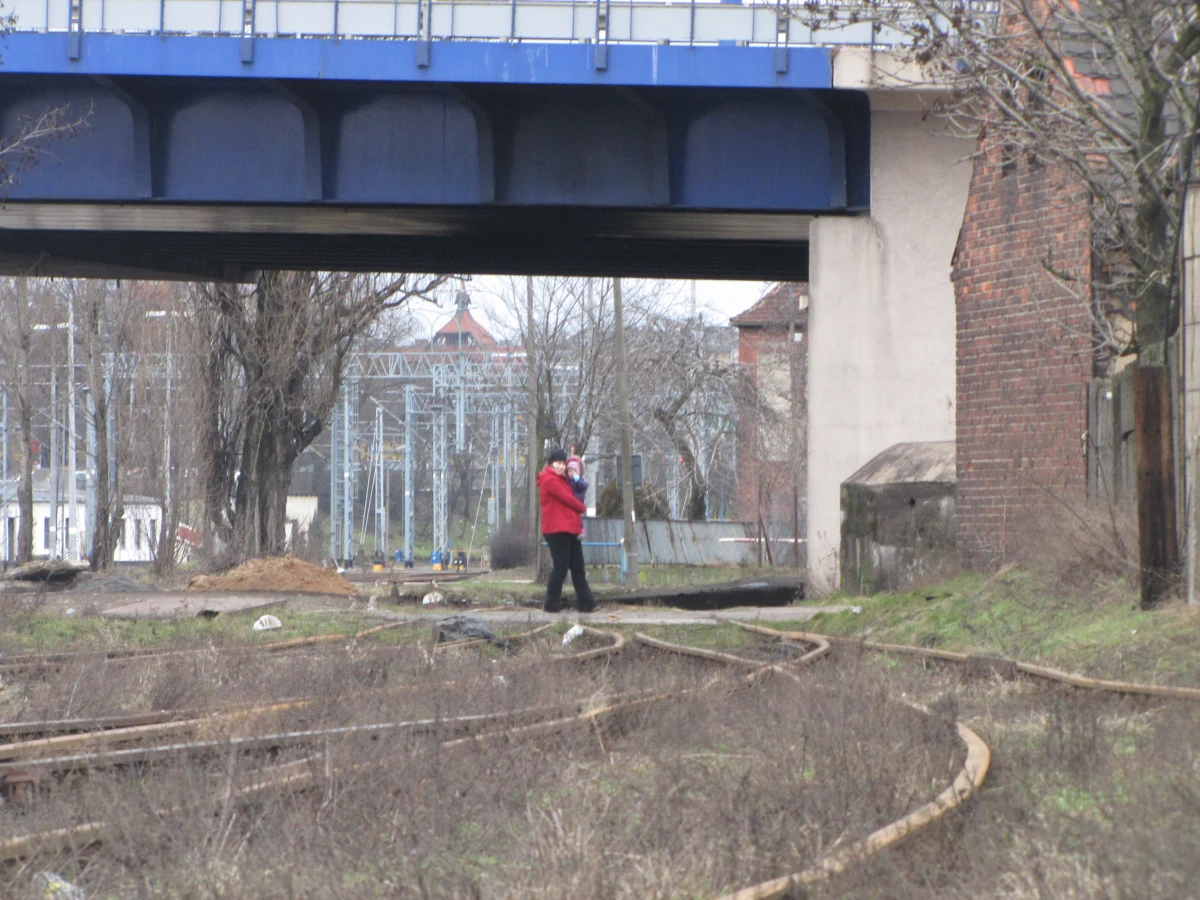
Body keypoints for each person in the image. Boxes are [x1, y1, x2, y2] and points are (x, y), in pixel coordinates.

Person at [537, 448, 596, 613]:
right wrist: (582, 507)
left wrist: (576, 462)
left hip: (569, 529)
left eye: (563, 463)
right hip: (556, 530)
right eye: (558, 463)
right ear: (550, 464)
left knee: (578, 567)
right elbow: (568, 498)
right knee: (560, 567)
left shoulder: (561, 479)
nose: (561, 467)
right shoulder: (550, 480)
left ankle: (587, 603)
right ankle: (551, 604)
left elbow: (576, 485)